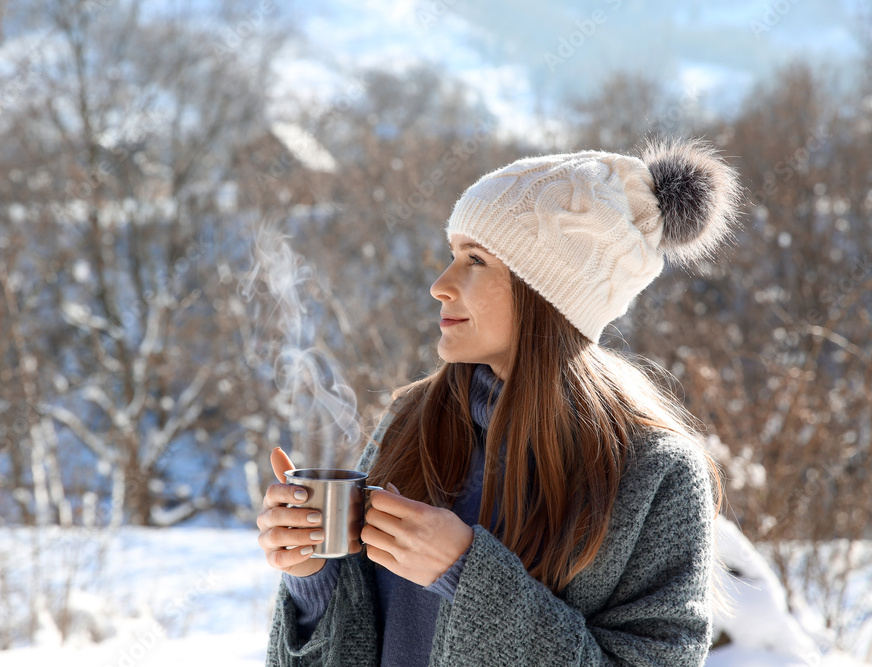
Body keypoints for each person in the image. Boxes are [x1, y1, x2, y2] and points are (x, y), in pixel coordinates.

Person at [256, 136, 742, 666]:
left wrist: (465, 573)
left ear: (547, 291)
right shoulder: (410, 424)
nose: (441, 285)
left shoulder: (655, 473)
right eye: (451, 255)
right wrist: (312, 580)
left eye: (476, 260)